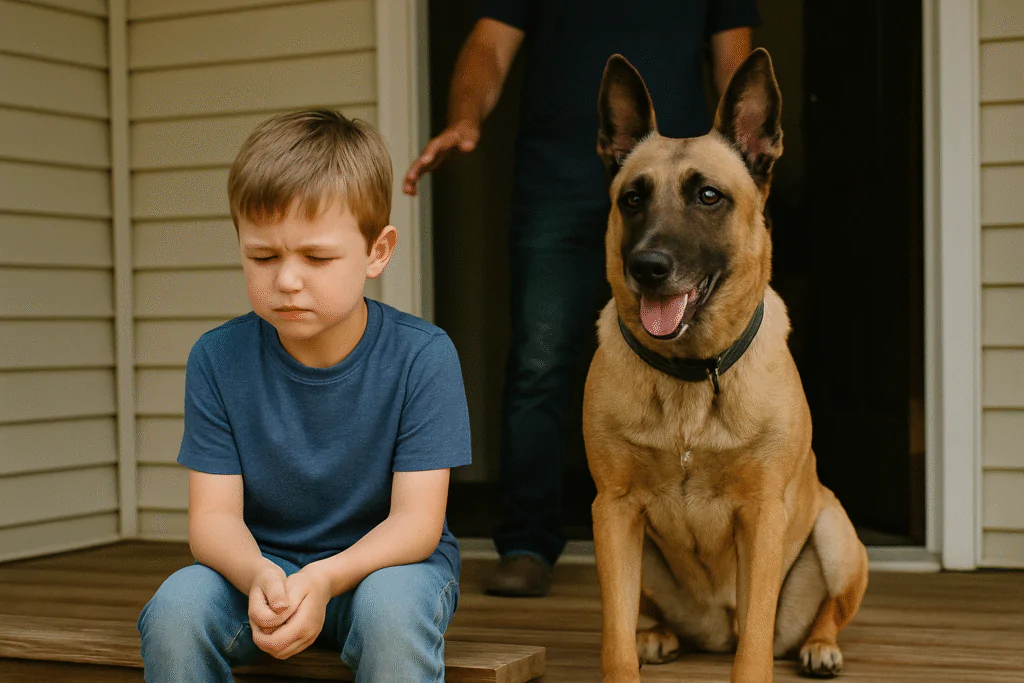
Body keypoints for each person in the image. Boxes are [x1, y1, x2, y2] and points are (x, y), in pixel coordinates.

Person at [404, 1, 759, 597]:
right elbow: (489, 46)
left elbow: (735, 62)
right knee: (540, 359)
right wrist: (464, 118)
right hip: (559, 182)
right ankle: (526, 543)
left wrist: (741, 169)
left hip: (687, 194)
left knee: (690, 360)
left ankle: (680, 554)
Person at [138, 110, 472, 682]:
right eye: (263, 257)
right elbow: (212, 519)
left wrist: (323, 579)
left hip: (386, 571)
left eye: (316, 258)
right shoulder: (217, 359)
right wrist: (257, 575)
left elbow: (417, 523)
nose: (287, 279)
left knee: (390, 613)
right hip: (262, 571)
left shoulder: (423, 356)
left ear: (377, 251)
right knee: (175, 609)